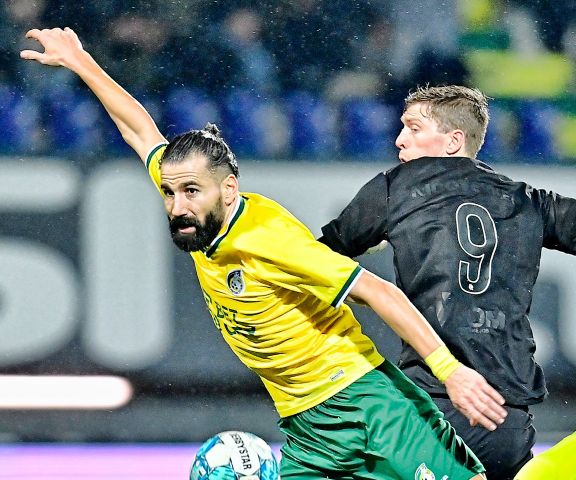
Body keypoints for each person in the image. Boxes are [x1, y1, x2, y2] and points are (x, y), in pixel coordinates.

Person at [20, 27, 507, 480]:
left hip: (369, 406)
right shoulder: (193, 202)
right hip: (306, 426)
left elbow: (379, 292)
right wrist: (82, 63)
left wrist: (452, 374)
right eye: (170, 193)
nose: (177, 206)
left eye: (191, 192)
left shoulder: (270, 239)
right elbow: (139, 132)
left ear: (228, 189)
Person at [318, 83, 576, 479]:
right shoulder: (526, 199)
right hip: (505, 407)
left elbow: (313, 259)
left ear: (453, 141)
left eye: (414, 128)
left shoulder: (396, 188)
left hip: (434, 399)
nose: (400, 140)